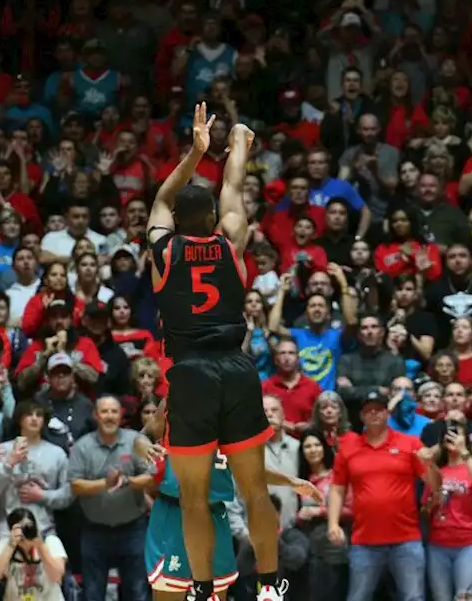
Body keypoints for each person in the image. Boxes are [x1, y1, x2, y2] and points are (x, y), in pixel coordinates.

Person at [146, 103, 284, 601]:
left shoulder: (163, 250)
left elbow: (162, 197)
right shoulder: (232, 243)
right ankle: (271, 587)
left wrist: (194, 152)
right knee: (254, 492)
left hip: (190, 375)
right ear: (211, 219)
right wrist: (237, 146)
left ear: (178, 221)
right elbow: (234, 190)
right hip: (237, 366)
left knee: (194, 500)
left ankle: (202, 589)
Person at [135, 404, 322, 601]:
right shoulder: (176, 399)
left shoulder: (235, 412)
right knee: (170, 593)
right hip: (175, 512)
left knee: (216, 595)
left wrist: (291, 481)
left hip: (215, 512)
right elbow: (142, 436)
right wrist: (146, 448)